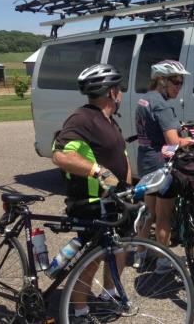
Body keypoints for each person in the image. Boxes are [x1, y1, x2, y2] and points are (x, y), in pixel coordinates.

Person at [52, 63, 131, 322]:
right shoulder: (83, 118)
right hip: (91, 201)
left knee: (118, 249)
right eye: (118, 88)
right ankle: (80, 310)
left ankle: (109, 295)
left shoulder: (109, 120)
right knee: (92, 259)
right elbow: (62, 155)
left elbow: (121, 156)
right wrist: (98, 171)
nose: (120, 93)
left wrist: (128, 189)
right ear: (110, 92)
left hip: (114, 200)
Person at [134, 60, 193, 272]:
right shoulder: (162, 104)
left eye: (181, 82)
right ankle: (162, 260)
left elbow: (155, 128)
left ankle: (139, 254)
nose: (179, 86)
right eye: (176, 82)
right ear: (161, 80)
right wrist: (189, 140)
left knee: (148, 211)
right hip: (161, 166)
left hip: (145, 162)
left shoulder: (145, 100)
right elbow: (173, 142)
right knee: (164, 214)